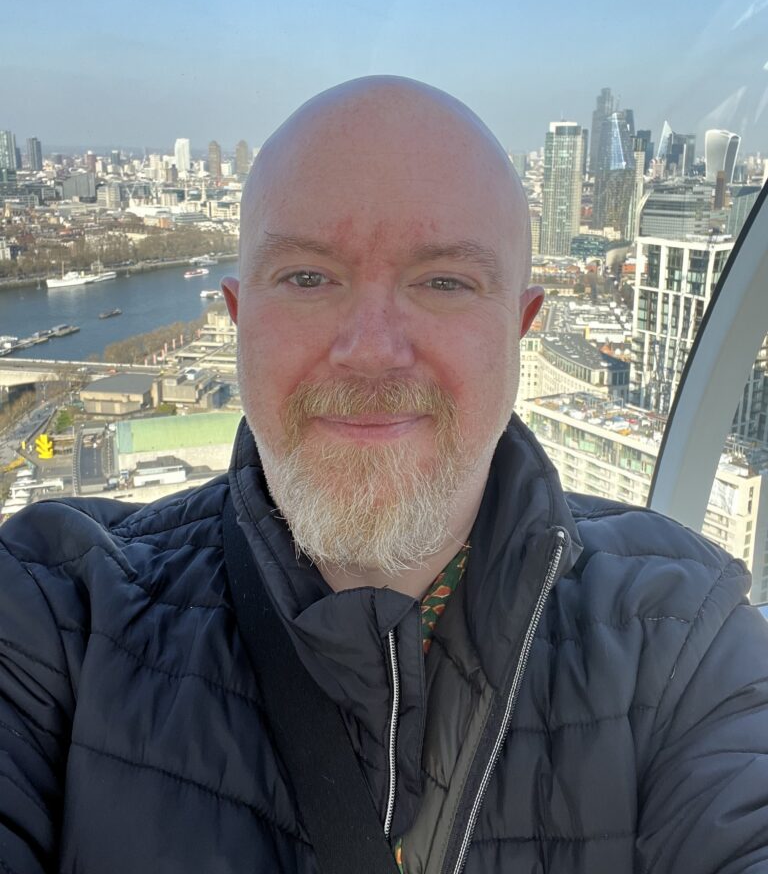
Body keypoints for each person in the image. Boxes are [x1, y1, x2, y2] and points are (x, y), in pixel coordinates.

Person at [1, 76, 767, 874]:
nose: (371, 349)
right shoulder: (53, 611)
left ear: (520, 328)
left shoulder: (688, 641)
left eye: (443, 282)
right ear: (237, 319)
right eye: (306, 276)